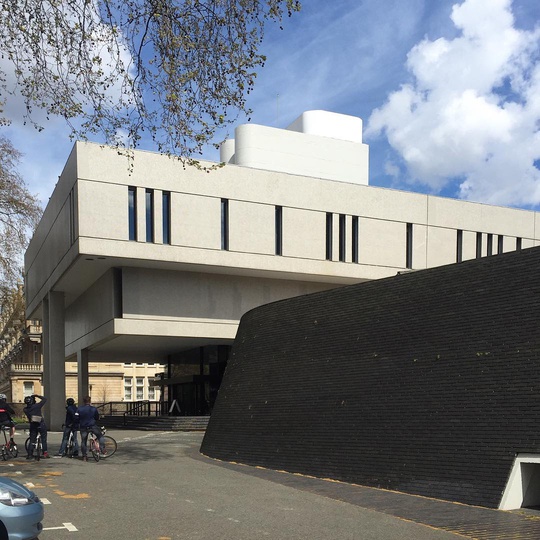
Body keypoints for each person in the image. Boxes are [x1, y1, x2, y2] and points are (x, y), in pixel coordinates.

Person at [75, 396, 105, 462]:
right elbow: (97, 417)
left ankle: (84, 456)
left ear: (83, 401)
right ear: (90, 401)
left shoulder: (79, 409)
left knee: (83, 441)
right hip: (92, 426)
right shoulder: (93, 409)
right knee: (100, 436)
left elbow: (76, 418)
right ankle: (102, 448)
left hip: (83, 427)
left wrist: (78, 422)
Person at [23, 394, 49, 459]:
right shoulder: (37, 406)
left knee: (32, 440)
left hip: (33, 425)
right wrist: (37, 395)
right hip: (40, 423)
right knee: (43, 439)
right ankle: (45, 453)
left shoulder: (25, 409)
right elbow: (45, 399)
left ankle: (30, 454)